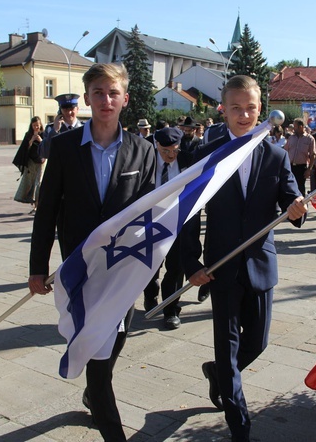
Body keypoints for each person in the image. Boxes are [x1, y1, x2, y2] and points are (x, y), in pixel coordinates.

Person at [28, 63, 155, 442]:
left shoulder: (142, 150)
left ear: (125, 99)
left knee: (113, 345)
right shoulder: (65, 148)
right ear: (86, 98)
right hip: (81, 271)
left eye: (113, 93)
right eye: (98, 92)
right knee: (99, 364)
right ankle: (109, 422)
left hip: (122, 271)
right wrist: (38, 268)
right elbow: (47, 209)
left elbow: (151, 214)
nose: (106, 100)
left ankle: (94, 393)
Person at [181, 75, 307, 442]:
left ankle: (217, 373)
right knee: (229, 347)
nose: (244, 114)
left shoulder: (276, 155)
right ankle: (240, 427)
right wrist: (191, 264)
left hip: (261, 264)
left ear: (260, 109)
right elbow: (188, 217)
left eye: (251, 107)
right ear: (223, 109)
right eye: (236, 108)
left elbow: (290, 199)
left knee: (257, 343)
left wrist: (298, 208)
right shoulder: (207, 156)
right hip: (220, 268)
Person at [142, 127, 192, 329]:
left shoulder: (189, 160)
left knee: (175, 268)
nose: (171, 155)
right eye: (166, 151)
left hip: (177, 223)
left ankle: (171, 310)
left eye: (175, 151)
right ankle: (150, 297)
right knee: (150, 267)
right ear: (157, 146)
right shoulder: (146, 161)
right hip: (150, 222)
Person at [13, 116, 45, 213]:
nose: (36, 127)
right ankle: (33, 204)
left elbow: (48, 146)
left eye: (38, 126)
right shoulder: (28, 134)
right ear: (31, 126)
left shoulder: (44, 134)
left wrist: (40, 140)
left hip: (41, 161)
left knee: (38, 182)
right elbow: (24, 149)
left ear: (40, 125)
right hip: (31, 161)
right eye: (34, 125)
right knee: (30, 182)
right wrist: (31, 141)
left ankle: (37, 206)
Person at [39, 93, 84, 158]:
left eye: (72, 109)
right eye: (65, 109)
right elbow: (44, 153)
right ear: (60, 111)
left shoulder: (85, 128)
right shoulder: (51, 129)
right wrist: (55, 131)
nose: (69, 112)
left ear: (77, 109)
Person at [284, 117, 316, 195]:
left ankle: (302, 205)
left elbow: (313, 155)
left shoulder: (309, 139)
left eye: (295, 126)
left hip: (301, 168)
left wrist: (309, 169)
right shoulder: (291, 138)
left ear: (301, 127)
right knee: (289, 188)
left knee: (300, 188)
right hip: (290, 167)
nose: (293, 128)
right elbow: (285, 151)